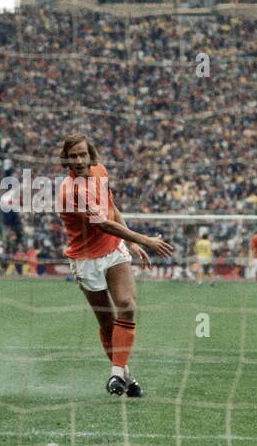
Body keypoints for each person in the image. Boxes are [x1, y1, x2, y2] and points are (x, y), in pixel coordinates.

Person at [57, 133, 173, 396]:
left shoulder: (99, 171)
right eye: (72, 156)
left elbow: (111, 209)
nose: (78, 160)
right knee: (108, 324)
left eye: (82, 154)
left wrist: (131, 241)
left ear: (91, 155)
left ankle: (115, 375)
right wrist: (145, 239)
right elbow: (103, 223)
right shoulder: (69, 190)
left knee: (127, 305)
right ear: (66, 159)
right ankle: (126, 378)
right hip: (86, 260)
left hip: (113, 249)